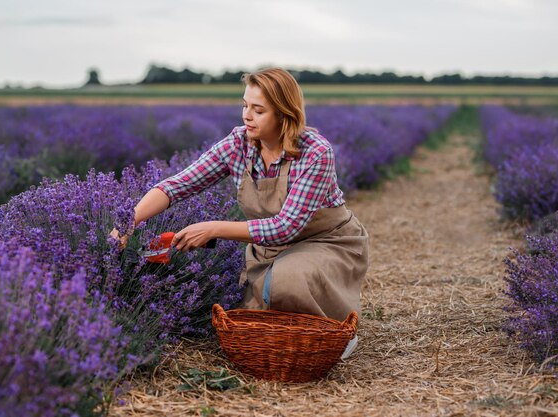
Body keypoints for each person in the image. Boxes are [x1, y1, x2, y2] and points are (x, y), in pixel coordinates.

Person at [111, 67, 369, 359]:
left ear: (284, 114)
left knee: (290, 279)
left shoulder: (315, 153)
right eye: (245, 106)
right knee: (258, 314)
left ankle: (333, 333)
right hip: (269, 250)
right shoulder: (239, 143)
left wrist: (212, 228)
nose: (247, 115)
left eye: (258, 110)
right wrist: (128, 221)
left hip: (325, 241)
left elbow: (287, 227)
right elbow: (177, 185)